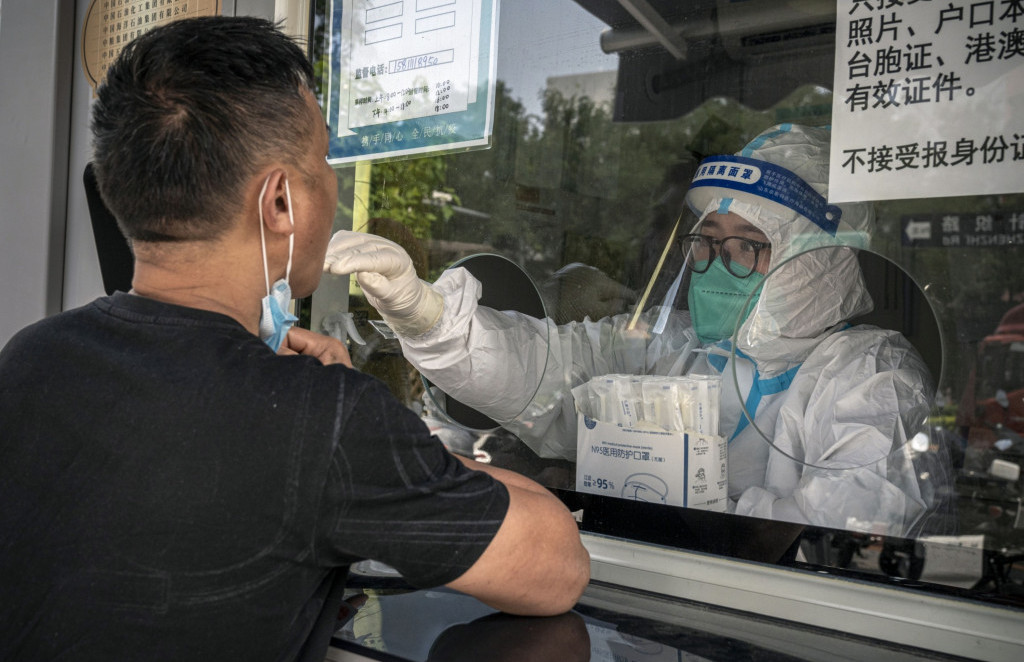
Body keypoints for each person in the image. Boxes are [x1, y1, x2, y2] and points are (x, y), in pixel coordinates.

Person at [0, 17, 588, 662]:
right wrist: (387, 441)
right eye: (326, 161)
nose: (333, 185)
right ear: (280, 201)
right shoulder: (324, 418)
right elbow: (556, 567)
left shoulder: (33, 356)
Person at [324, 123, 935, 537]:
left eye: (750, 246)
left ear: (822, 259)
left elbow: (844, 534)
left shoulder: (869, 374)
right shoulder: (675, 349)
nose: (719, 267)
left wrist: (667, 503)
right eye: (708, 243)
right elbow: (539, 374)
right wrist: (427, 318)